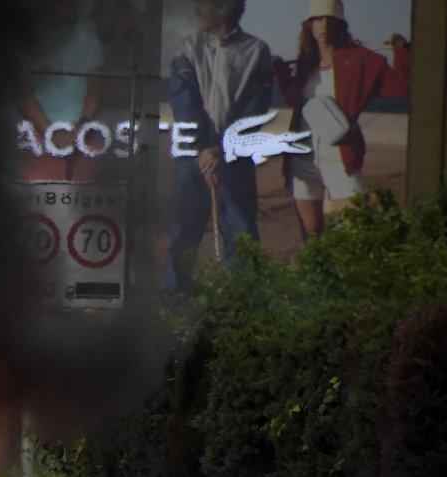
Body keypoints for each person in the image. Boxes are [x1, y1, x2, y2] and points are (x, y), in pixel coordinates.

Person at [273, 0, 410, 238]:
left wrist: (402, 51)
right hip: (302, 156)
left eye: (329, 19)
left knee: (353, 229)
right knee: (311, 230)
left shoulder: (360, 59)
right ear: (309, 26)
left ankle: (374, 206)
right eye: (317, 19)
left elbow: (399, 87)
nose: (323, 25)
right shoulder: (306, 64)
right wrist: (279, 70)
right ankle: (319, 273)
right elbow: (296, 100)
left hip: (340, 153)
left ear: (340, 24)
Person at [164, 0, 272, 295]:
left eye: (204, 5)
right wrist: (204, 150)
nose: (197, 10)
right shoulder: (186, 47)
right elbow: (182, 98)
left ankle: (244, 304)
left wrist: (221, 150)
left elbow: (255, 108)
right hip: (192, 156)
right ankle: (178, 301)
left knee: (241, 233)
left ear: (223, 9)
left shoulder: (256, 51)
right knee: (184, 231)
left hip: (234, 157)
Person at [16, 4, 105, 182]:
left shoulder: (84, 32)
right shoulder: (27, 34)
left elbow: (96, 86)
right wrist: (50, 132)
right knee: (37, 197)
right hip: (35, 139)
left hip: (79, 140)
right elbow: (21, 91)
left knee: (78, 198)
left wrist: (80, 127)